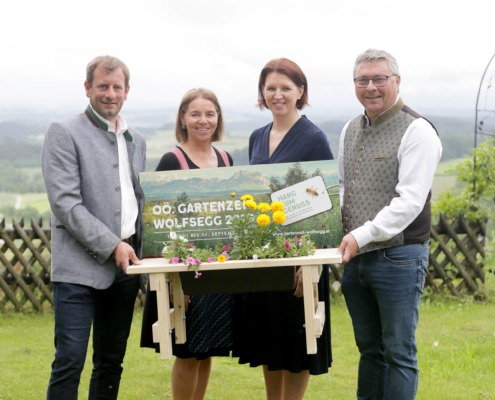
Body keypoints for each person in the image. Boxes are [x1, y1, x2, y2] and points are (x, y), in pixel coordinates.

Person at [338, 49, 442, 399]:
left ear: (397, 81)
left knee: (398, 352)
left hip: (399, 256)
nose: (371, 86)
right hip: (356, 258)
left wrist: (360, 234)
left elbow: (410, 201)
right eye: (362, 79)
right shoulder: (350, 129)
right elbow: (342, 188)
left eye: (379, 78)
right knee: (370, 350)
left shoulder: (418, 130)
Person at [41, 55, 146, 399]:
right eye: (103, 86)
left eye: (117, 87)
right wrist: (113, 245)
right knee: (70, 360)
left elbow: (136, 201)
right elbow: (66, 204)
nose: (110, 94)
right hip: (77, 269)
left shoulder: (137, 140)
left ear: (127, 91)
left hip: (125, 269)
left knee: (111, 362)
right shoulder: (64, 132)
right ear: (88, 88)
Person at [232, 58, 334, 400]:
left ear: (300, 91)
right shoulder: (257, 137)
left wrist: (303, 260)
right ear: (262, 92)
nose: (278, 95)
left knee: (297, 343)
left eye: (285, 88)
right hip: (265, 255)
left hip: (300, 257)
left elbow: (322, 203)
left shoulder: (313, 138)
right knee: (269, 340)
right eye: (271, 88)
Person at [140, 88, 233, 400]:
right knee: (188, 351)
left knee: (207, 351)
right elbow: (156, 224)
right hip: (184, 275)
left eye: (210, 114)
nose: (202, 120)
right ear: (182, 118)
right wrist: (170, 279)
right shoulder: (172, 159)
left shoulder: (226, 158)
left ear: (218, 118)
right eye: (195, 114)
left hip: (216, 273)